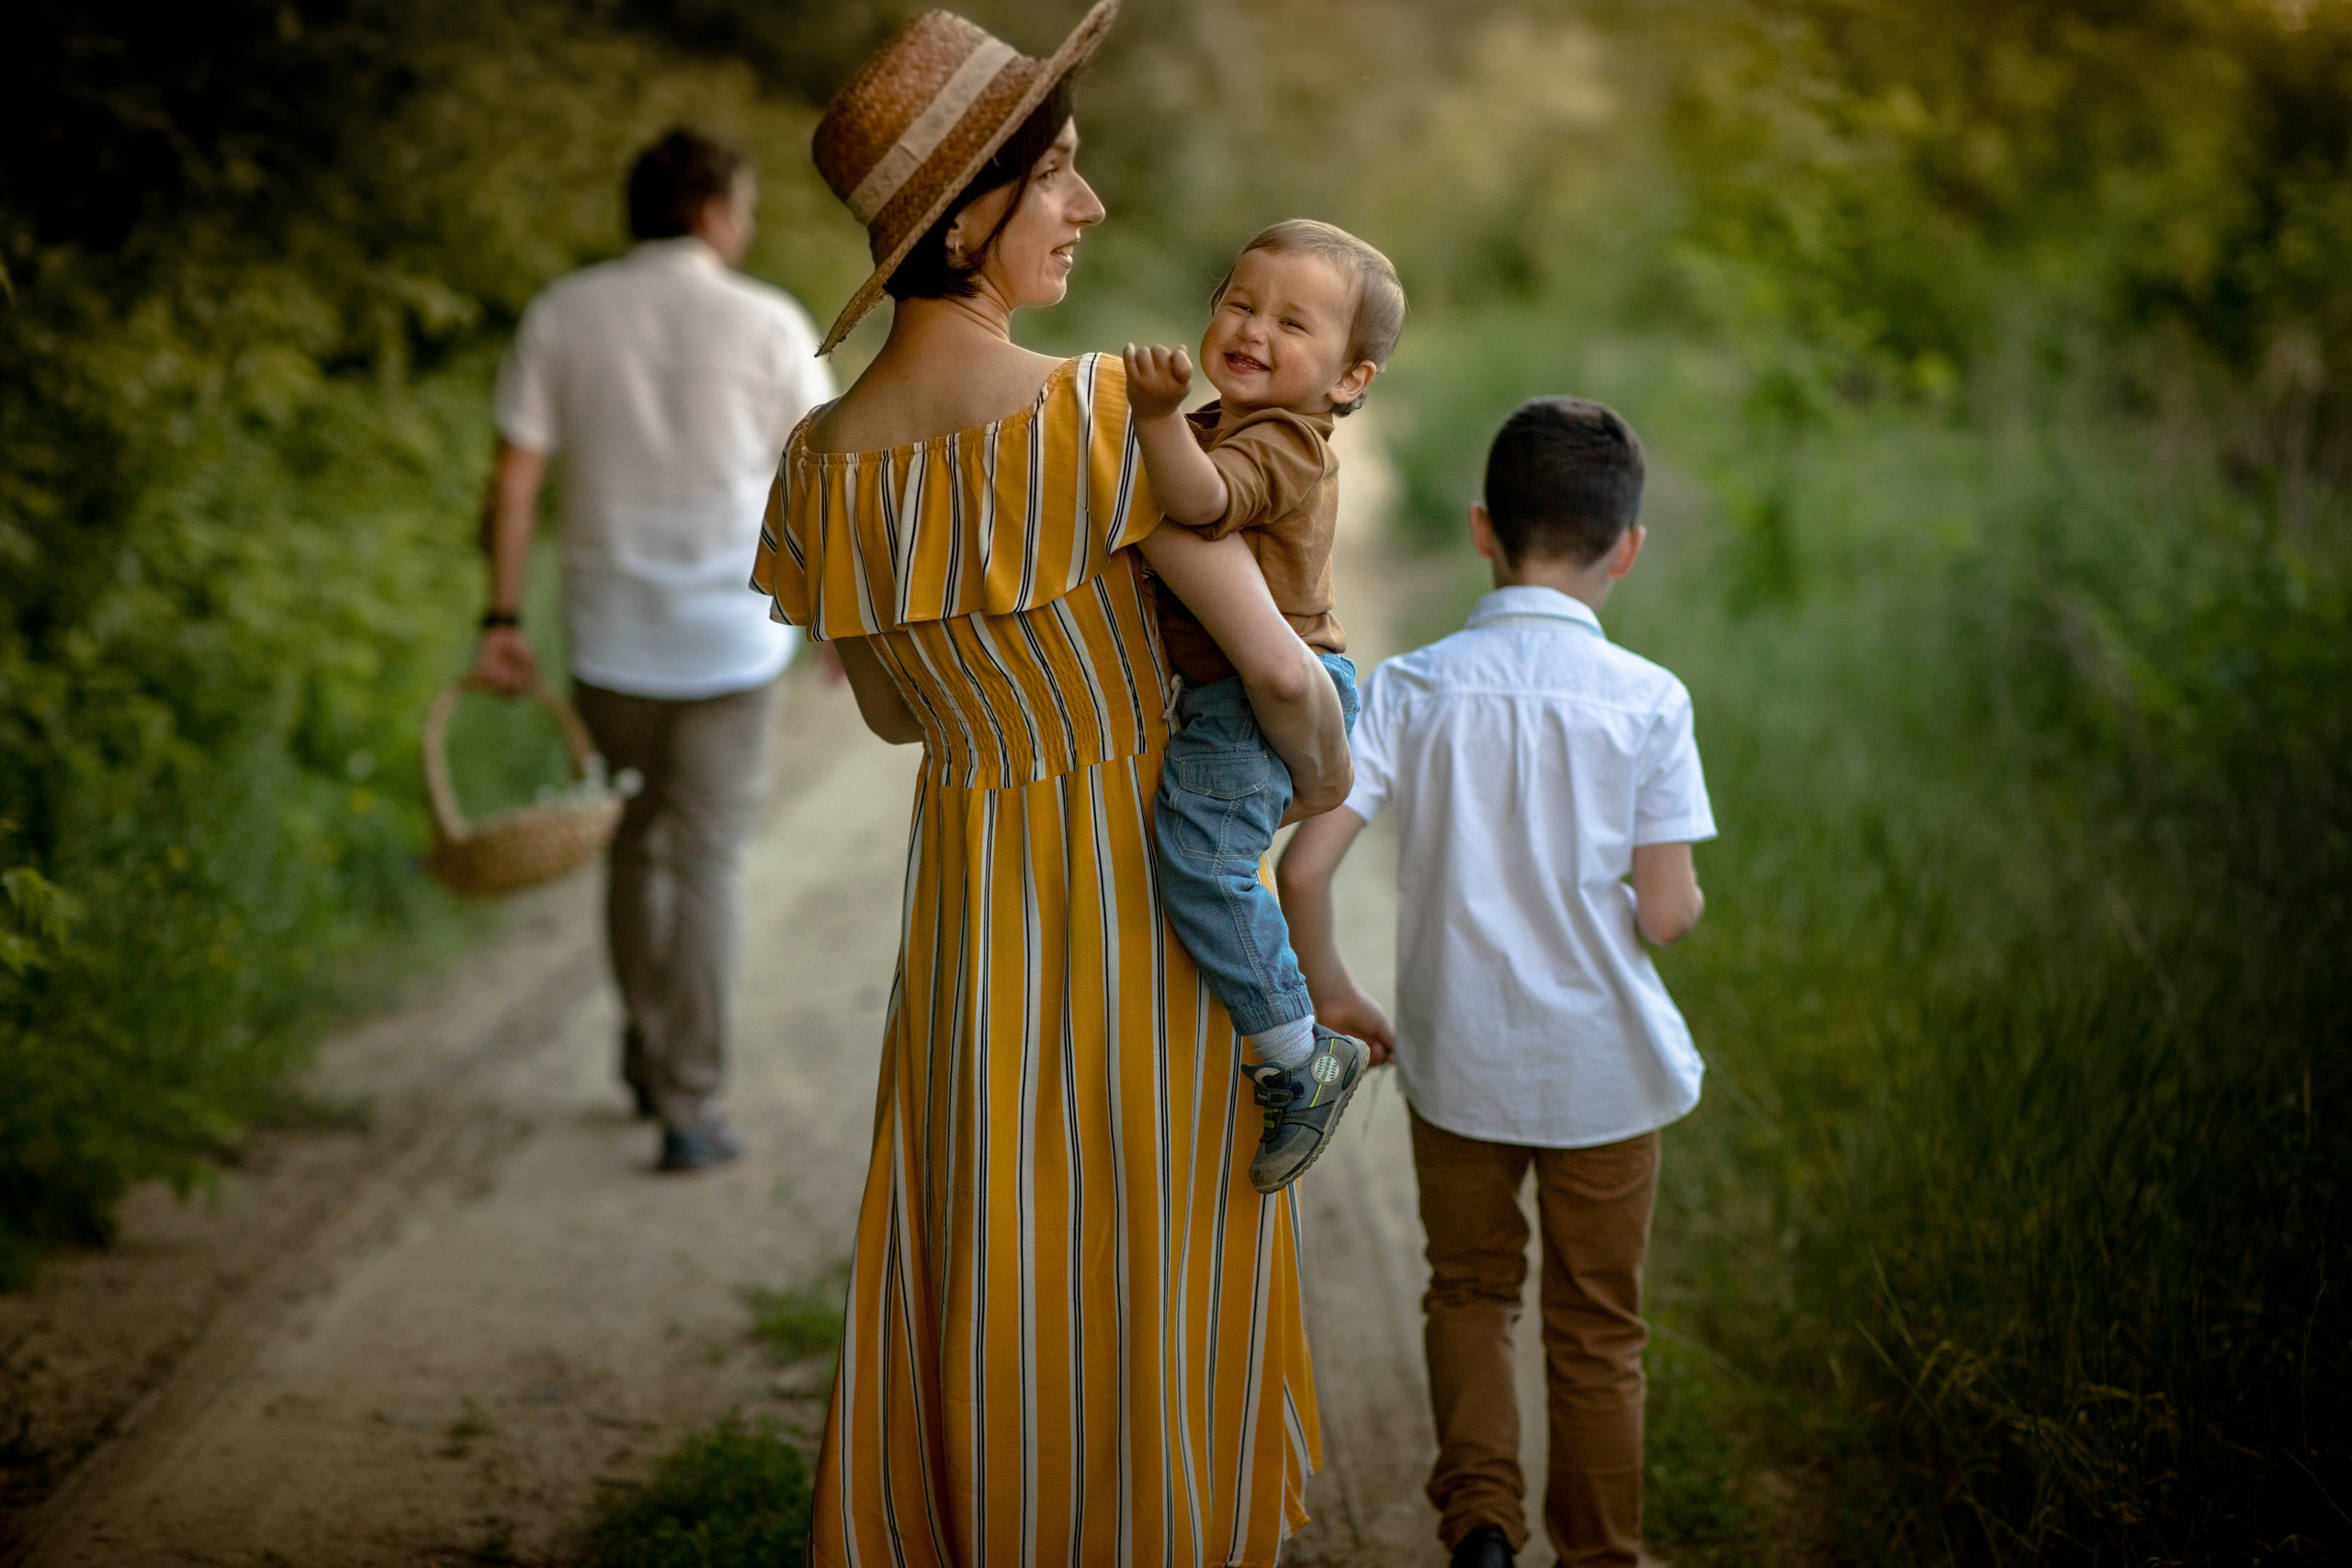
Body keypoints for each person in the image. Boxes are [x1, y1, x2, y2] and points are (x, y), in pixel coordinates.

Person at [752, 4, 1353, 1562]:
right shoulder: (1095, 415)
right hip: (1136, 878)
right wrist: (1327, 786)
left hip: (970, 888)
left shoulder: (821, 466)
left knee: (993, 1212)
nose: (1088, 207)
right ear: (970, 218)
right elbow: (1279, 668)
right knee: (1152, 1220)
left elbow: (890, 715)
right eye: (1061, 177)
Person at [1274, 397, 1715, 1568]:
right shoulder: (1650, 703)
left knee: (1466, 1289)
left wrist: (1334, 995)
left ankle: (1479, 1523)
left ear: (1482, 529)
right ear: (1626, 548)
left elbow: (1305, 872)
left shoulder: (1412, 690)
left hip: (1456, 1059)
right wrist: (1642, 902)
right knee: (1597, 1330)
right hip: (1604, 1075)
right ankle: (1601, 1552)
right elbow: (1667, 915)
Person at [474, 127, 834, 1173]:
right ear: (716, 209)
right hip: (732, 636)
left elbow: (513, 482)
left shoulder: (563, 313)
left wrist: (499, 622)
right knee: (711, 861)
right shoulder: (766, 321)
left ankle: (643, 1047)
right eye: (746, 202)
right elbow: (818, 477)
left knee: (632, 849)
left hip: (610, 638)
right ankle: (690, 1101)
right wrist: (834, 615)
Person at [1121, 219, 1406, 1194]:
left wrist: (1152, 416)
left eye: (1293, 322)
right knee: (1197, 854)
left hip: (1264, 693)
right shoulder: (1223, 424)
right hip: (1237, 694)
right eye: (1240, 303)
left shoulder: (1288, 440)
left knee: (1203, 861)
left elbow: (1198, 507)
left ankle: (1300, 1053)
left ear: (1348, 380)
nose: (1253, 328)